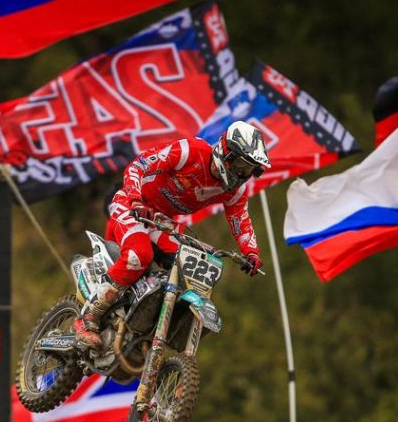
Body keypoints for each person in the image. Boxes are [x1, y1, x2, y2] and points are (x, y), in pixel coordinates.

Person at [74, 121, 271, 350]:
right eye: (240, 165)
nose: (241, 173)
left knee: (190, 265)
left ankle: (144, 326)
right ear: (227, 152)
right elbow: (138, 166)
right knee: (139, 256)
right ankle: (87, 318)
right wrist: (136, 200)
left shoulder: (235, 190)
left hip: (162, 222)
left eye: (248, 170)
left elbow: (240, 220)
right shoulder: (190, 152)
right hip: (131, 205)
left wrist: (251, 253)